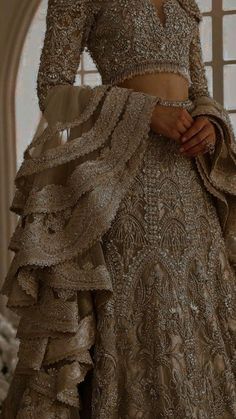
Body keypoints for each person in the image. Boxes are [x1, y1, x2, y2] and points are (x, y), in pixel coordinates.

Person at [1, 0, 236, 418]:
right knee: (138, 319)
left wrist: (210, 123)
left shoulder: (186, 3)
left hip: (189, 188)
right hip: (123, 190)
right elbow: (51, 89)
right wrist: (143, 111)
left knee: (201, 320)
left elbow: (199, 91)